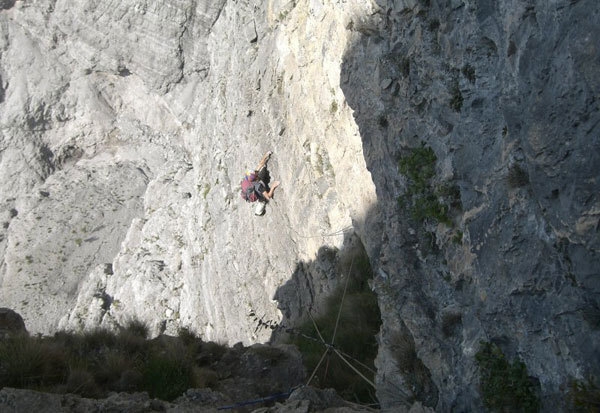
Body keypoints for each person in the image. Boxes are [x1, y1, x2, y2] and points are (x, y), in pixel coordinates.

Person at [240, 151, 280, 215]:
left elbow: (260, 164)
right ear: (255, 178)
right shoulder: (259, 186)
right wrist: (273, 186)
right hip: (256, 192)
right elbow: (268, 196)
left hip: (249, 191)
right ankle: (258, 212)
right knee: (263, 200)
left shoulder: (248, 178)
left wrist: (266, 155)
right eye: (255, 174)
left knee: (263, 170)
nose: (256, 173)